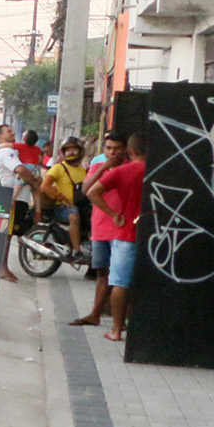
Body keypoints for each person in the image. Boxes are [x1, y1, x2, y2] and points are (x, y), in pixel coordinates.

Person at [85, 131, 146, 342]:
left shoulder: (123, 171)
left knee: (119, 281)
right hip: (157, 236)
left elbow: (91, 191)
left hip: (126, 232)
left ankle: (117, 330)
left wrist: (113, 215)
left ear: (129, 150)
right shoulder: (158, 170)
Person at [73, 132, 130, 324]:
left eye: (117, 148)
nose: (112, 152)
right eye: (108, 148)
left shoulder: (129, 168)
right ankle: (95, 314)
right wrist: (103, 169)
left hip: (120, 227)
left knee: (119, 276)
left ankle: (118, 319)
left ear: (125, 150)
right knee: (101, 273)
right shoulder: (97, 166)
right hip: (100, 227)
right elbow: (86, 189)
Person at [0, 124, 34, 283]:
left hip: (19, 198)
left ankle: (3, 267)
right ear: (0, 136)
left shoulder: (13, 150)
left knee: (9, 235)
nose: (12, 133)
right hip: (12, 199)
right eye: (8, 131)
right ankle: (2, 268)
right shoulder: (6, 152)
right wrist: (35, 180)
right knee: (7, 235)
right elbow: (20, 170)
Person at [39, 138, 90, 259]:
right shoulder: (58, 168)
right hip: (63, 207)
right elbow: (44, 186)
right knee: (74, 216)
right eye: (68, 150)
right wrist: (62, 198)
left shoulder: (84, 171)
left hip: (81, 205)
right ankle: (77, 251)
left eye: (74, 149)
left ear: (81, 151)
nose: (71, 152)